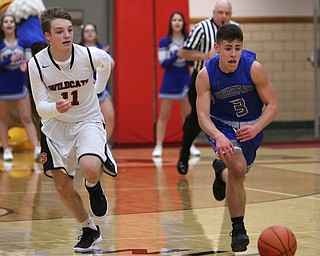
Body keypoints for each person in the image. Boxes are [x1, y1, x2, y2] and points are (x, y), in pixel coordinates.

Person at [28, 6, 117, 253]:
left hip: (87, 119)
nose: (67, 35)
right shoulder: (37, 63)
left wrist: (99, 87)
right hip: (55, 126)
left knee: (89, 168)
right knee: (62, 186)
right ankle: (89, 229)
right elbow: (40, 107)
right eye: (59, 31)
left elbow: (107, 61)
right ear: (48, 36)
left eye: (69, 30)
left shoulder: (87, 55)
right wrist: (55, 107)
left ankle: (94, 185)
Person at [196, 24, 278, 252]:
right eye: (228, 48)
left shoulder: (254, 68)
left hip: (251, 127)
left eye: (238, 48)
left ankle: (220, 172)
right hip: (223, 126)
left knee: (237, 174)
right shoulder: (206, 75)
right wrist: (218, 135)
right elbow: (202, 116)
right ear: (217, 48)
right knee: (239, 169)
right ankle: (238, 229)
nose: (233, 54)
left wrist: (257, 127)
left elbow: (273, 105)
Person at [176, 0, 239, 175]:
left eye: (227, 13)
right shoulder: (201, 28)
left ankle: (223, 164)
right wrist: (206, 56)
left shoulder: (235, 28)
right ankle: (184, 152)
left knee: (226, 118)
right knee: (197, 119)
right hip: (201, 77)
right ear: (214, 12)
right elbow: (183, 52)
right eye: (220, 12)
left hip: (227, 80)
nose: (224, 16)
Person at [152, 12, 200, 158]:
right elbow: (163, 63)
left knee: (187, 116)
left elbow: (191, 62)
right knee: (163, 116)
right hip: (169, 81)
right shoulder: (164, 41)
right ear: (171, 23)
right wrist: (178, 54)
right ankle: (158, 145)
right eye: (174, 20)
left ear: (183, 23)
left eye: (180, 20)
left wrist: (188, 54)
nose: (177, 22)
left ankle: (190, 144)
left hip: (185, 80)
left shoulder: (188, 41)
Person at [0, 13, 40, 161]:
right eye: (6, 22)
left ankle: (37, 148)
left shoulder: (24, 42)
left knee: (26, 118)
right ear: (2, 26)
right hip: (3, 87)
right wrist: (9, 60)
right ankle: (6, 149)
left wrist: (25, 65)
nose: (9, 24)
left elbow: (30, 62)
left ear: (15, 25)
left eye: (11, 21)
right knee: (3, 119)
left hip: (20, 86)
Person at [79, 23, 115, 141]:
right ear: (83, 34)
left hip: (101, 90)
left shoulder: (103, 48)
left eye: (92, 31)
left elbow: (112, 65)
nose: (89, 33)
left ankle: (104, 143)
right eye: (87, 31)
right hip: (82, 91)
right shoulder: (77, 49)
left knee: (109, 117)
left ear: (96, 34)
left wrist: (105, 57)